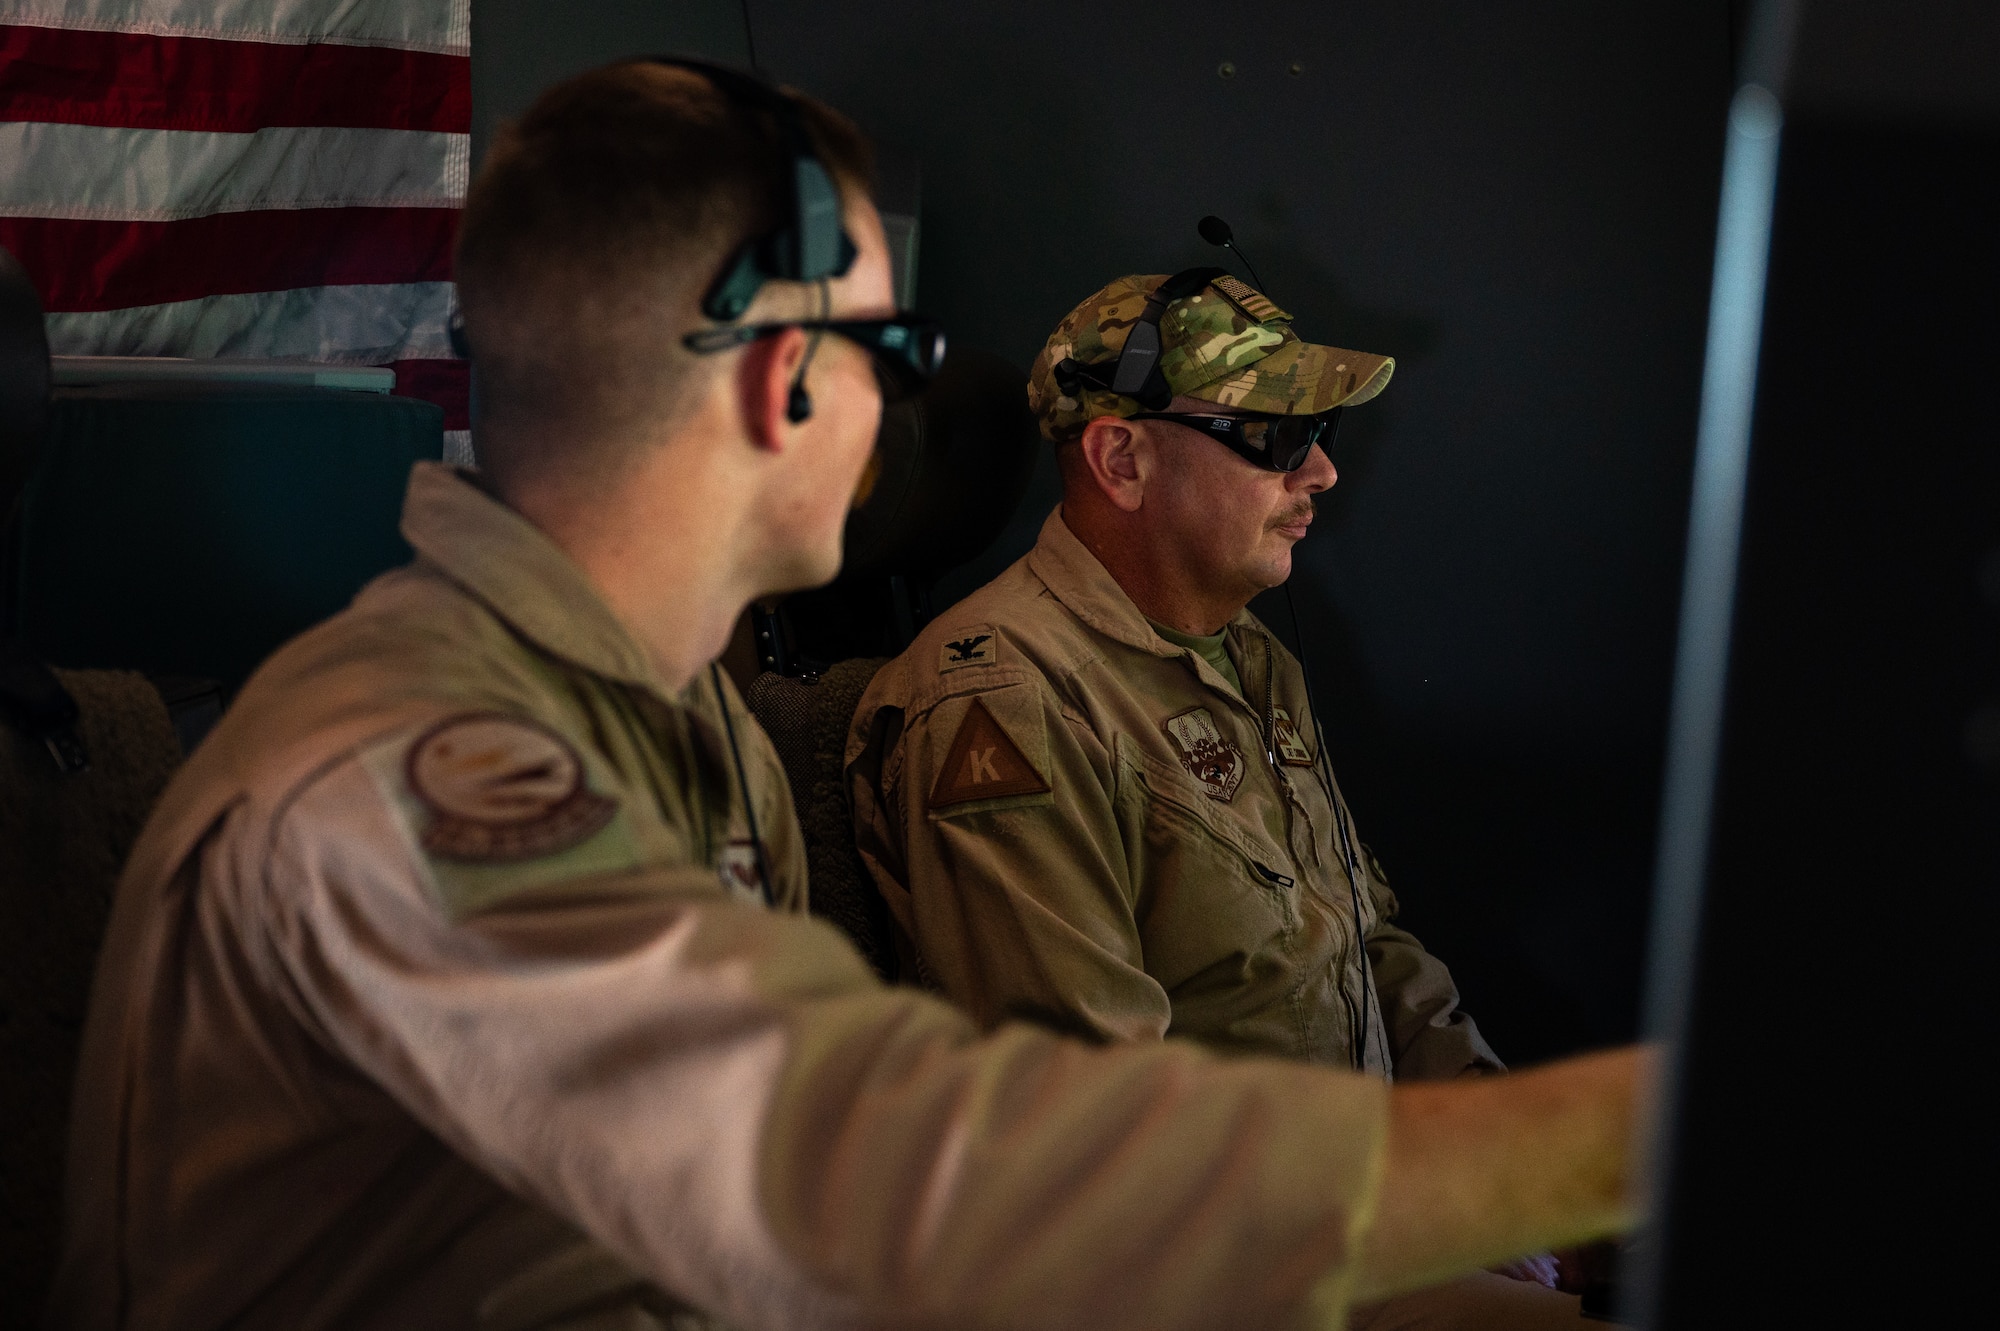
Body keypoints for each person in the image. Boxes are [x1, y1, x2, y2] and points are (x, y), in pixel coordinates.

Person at [49, 62, 1647, 1331]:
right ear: (781, 375)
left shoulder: (683, 719)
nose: (904, 394)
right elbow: (875, 1170)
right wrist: (1612, 1138)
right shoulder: (415, 766)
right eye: (896, 335)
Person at [845, 275, 1606, 1326]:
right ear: (1121, 460)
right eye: (1275, 436)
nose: (1323, 470)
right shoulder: (1005, 704)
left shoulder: (1248, 656)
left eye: (1320, 429)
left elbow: (1368, 945)